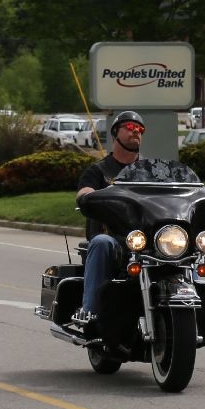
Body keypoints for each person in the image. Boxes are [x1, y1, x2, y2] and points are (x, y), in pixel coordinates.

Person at [68, 111, 145, 339]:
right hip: (113, 238)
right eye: (130, 127)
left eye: (140, 129)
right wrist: (88, 196)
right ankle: (90, 311)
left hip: (145, 239)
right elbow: (84, 192)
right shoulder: (100, 170)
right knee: (101, 243)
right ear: (115, 133)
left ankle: (194, 303)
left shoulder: (149, 171)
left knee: (185, 249)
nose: (136, 132)